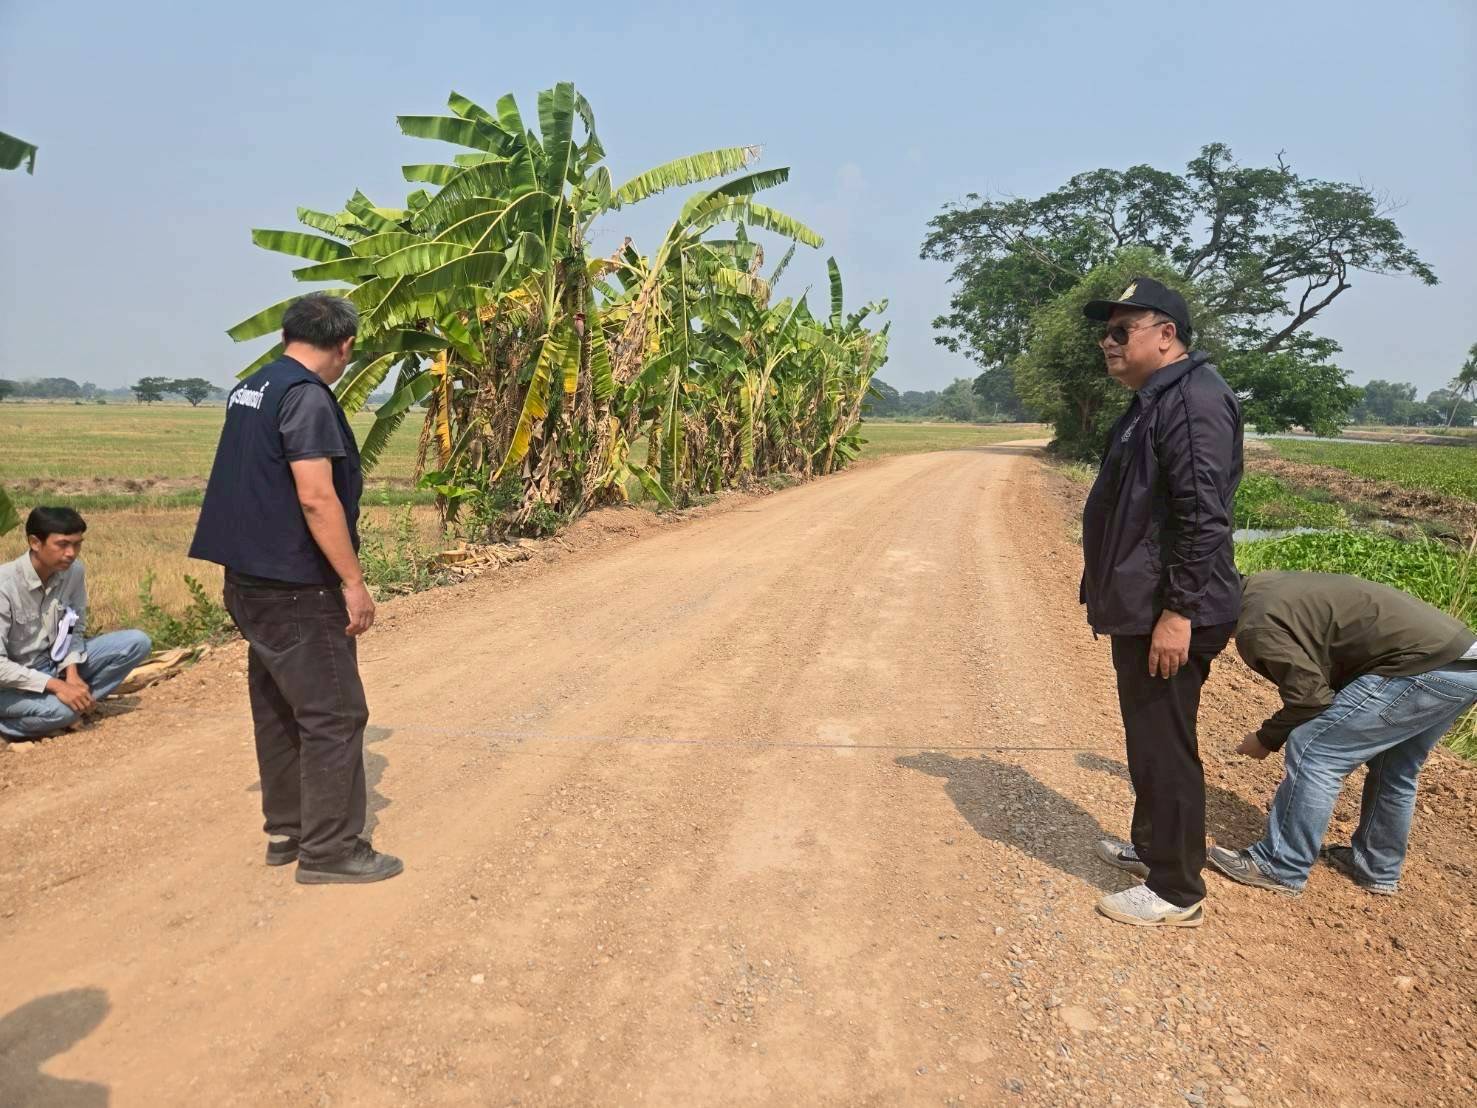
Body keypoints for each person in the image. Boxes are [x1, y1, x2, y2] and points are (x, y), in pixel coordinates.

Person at [190, 292, 401, 884]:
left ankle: (289, 829)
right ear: (345, 346)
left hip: (248, 580)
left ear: (286, 336)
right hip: (296, 586)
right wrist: (353, 582)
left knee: (279, 707)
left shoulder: (251, 388)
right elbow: (315, 496)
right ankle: (330, 850)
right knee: (335, 713)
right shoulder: (307, 397)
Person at [1078, 277, 1244, 928]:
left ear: (1166, 335)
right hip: (1150, 603)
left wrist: (1178, 613)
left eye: (1122, 331)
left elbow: (1204, 519)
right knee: (1147, 738)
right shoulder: (1159, 398)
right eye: (1106, 332)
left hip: (1172, 611)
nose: (1108, 343)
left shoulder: (1192, 403)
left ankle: (1177, 890)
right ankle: (1152, 850)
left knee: (1164, 744)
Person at [1208, 571, 1477, 897]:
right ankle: (1376, 867)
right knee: (1394, 766)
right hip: (1461, 662)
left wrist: (1266, 738)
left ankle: (1280, 865)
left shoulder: (1256, 626)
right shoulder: (1265, 586)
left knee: (1315, 749)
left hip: (1417, 666)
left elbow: (1311, 699)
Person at [0, 507, 151, 742]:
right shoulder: (4, 585)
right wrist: (57, 686)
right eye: (62, 544)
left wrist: (71, 673)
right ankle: (15, 725)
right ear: (35, 543)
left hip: (51, 665)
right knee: (63, 712)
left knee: (137, 642)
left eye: (77, 544)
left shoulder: (73, 572)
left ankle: (74, 703)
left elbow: (74, 628)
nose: (71, 553)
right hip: (10, 684)